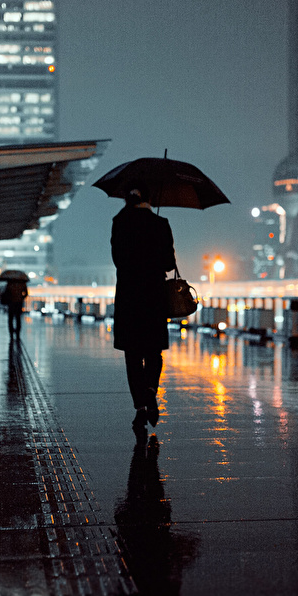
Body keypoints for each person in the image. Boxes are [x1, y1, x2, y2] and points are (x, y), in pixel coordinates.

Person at [111, 186, 177, 435]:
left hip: (129, 296)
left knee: (132, 354)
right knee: (153, 351)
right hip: (154, 296)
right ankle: (151, 391)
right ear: (150, 199)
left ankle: (140, 407)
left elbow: (117, 259)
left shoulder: (119, 222)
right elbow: (169, 264)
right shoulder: (160, 223)